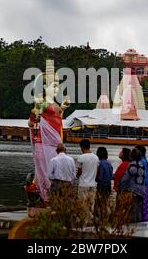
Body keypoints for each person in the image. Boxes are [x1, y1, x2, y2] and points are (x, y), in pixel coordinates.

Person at [28, 61, 70, 204]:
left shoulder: (54, 104)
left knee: (53, 168)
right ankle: (44, 196)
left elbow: (57, 118)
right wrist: (37, 110)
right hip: (44, 141)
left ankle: (51, 197)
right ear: (45, 87)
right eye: (53, 86)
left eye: (58, 86)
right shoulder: (43, 102)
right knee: (44, 170)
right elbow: (33, 117)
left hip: (55, 140)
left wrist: (62, 108)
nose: (56, 89)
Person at [118, 148, 146, 223]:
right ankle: (140, 227)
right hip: (142, 190)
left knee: (132, 211)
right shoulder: (142, 165)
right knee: (139, 210)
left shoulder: (132, 165)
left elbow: (126, 178)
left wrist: (120, 186)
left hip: (133, 191)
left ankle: (133, 227)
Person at [76, 139, 99, 225]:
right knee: (91, 204)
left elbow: (79, 172)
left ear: (82, 147)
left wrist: (77, 175)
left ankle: (83, 222)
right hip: (93, 184)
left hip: (83, 184)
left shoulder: (81, 157)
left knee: (83, 204)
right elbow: (97, 171)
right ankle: (90, 221)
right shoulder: (96, 157)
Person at [94, 147, 113, 222]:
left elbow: (100, 177)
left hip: (102, 185)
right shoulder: (109, 164)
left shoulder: (100, 164)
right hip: (108, 185)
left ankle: (99, 218)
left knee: (98, 203)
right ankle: (106, 217)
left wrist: (95, 179)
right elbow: (111, 176)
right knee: (105, 202)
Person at [136, 145, 148, 221]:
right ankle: (146, 218)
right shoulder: (144, 160)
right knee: (145, 205)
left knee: (141, 205)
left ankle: (142, 219)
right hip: (146, 185)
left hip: (143, 185)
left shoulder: (141, 161)